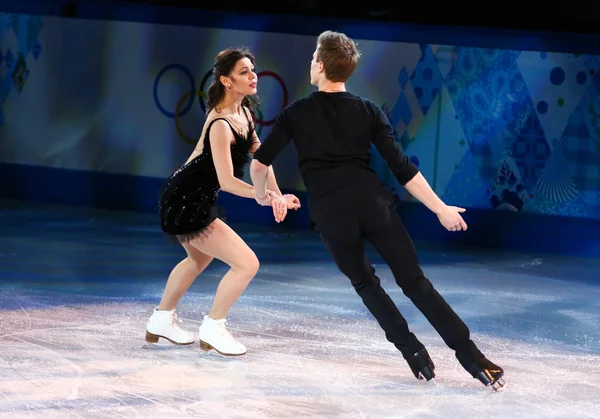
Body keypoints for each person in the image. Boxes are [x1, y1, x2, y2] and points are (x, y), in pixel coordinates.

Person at [249, 31, 505, 390]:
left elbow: (259, 165)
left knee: (365, 283)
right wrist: (440, 208)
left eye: (312, 59)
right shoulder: (368, 111)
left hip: (332, 215)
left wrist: (264, 196)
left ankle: (414, 354)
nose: (310, 64)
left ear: (320, 67)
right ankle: (475, 360)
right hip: (374, 206)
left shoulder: (297, 113)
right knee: (415, 283)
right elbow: (404, 170)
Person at [145, 47, 300, 356]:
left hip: (193, 197)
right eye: (244, 72)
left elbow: (261, 160)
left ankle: (161, 319)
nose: (253, 75)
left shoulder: (243, 114)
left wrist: (277, 195)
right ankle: (214, 326)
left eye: (253, 70)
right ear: (227, 81)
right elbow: (227, 181)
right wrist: (261, 197)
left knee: (198, 259)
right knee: (246, 263)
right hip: (185, 199)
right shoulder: (220, 124)